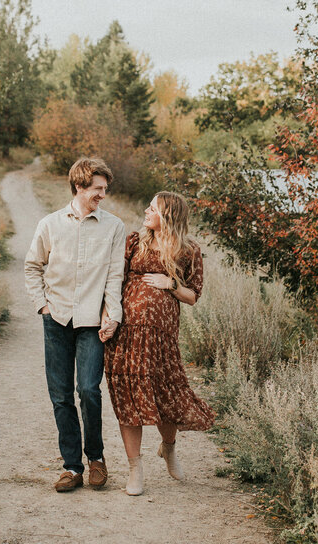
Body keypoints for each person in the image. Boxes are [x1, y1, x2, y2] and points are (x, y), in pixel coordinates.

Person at [101, 190, 214, 496]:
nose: (146, 211)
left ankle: (169, 447)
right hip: (127, 335)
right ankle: (135, 467)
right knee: (130, 398)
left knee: (167, 395)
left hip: (162, 337)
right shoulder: (134, 241)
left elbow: (192, 296)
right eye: (148, 205)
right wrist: (107, 317)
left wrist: (171, 283)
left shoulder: (189, 249)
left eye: (153, 208)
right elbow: (114, 281)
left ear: (169, 216)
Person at [25, 157, 125, 492]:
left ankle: (96, 459)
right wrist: (42, 306)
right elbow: (32, 266)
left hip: (91, 323)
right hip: (56, 320)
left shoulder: (114, 227)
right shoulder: (50, 224)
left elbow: (115, 276)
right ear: (79, 186)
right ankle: (72, 467)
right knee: (61, 395)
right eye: (97, 189)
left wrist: (113, 315)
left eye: (105, 190)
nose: (102, 195)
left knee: (88, 390)